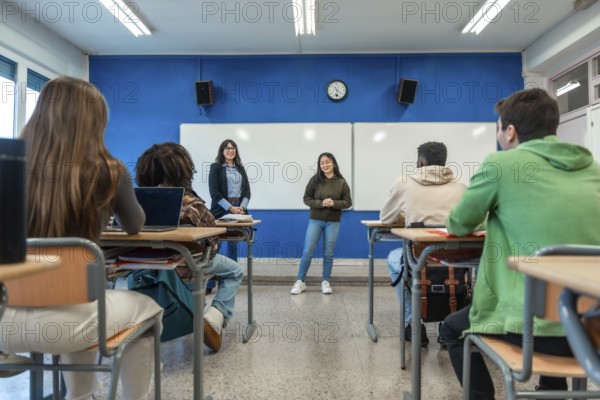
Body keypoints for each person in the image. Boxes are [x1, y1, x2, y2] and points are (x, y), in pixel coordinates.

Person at [0, 76, 164, 400]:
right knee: (147, 310)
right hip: (71, 326)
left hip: (6, 324)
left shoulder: (10, 167)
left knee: (82, 302)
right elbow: (134, 225)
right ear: (94, 121)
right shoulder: (109, 170)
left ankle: (81, 395)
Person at [441, 88, 600, 399]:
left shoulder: (501, 166)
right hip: (592, 326)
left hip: (532, 331)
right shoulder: (594, 169)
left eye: (498, 128)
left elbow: (458, 223)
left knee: (452, 330)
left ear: (509, 131)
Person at [136, 141, 244, 352]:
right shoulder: (191, 204)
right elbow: (211, 243)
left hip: (146, 267)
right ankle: (213, 316)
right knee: (234, 271)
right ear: (183, 170)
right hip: (188, 264)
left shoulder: (138, 203)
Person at [379, 142, 466, 346]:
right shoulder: (462, 185)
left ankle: (413, 325)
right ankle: (450, 326)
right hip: (456, 256)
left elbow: (385, 218)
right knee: (458, 270)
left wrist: (408, 216)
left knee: (395, 259)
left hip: (419, 256)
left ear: (419, 162)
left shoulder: (403, 182)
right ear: (444, 162)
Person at [290, 152, 352, 295]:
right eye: (322, 163)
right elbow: (307, 199)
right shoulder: (315, 180)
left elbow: (348, 202)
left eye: (328, 162)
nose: (325, 165)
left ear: (334, 163)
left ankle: (325, 281)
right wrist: (321, 203)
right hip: (315, 220)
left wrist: (334, 203)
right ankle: (300, 281)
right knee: (308, 251)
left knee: (328, 253)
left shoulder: (341, 182)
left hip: (333, 222)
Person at [208, 139, 251, 262]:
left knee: (233, 244)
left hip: (239, 208)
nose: (230, 151)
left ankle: (232, 277)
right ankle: (211, 280)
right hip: (221, 209)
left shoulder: (240, 168)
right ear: (222, 151)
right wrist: (231, 208)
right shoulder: (215, 167)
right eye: (227, 148)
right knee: (217, 244)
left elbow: (247, 191)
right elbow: (214, 193)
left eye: (233, 148)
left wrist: (241, 207)